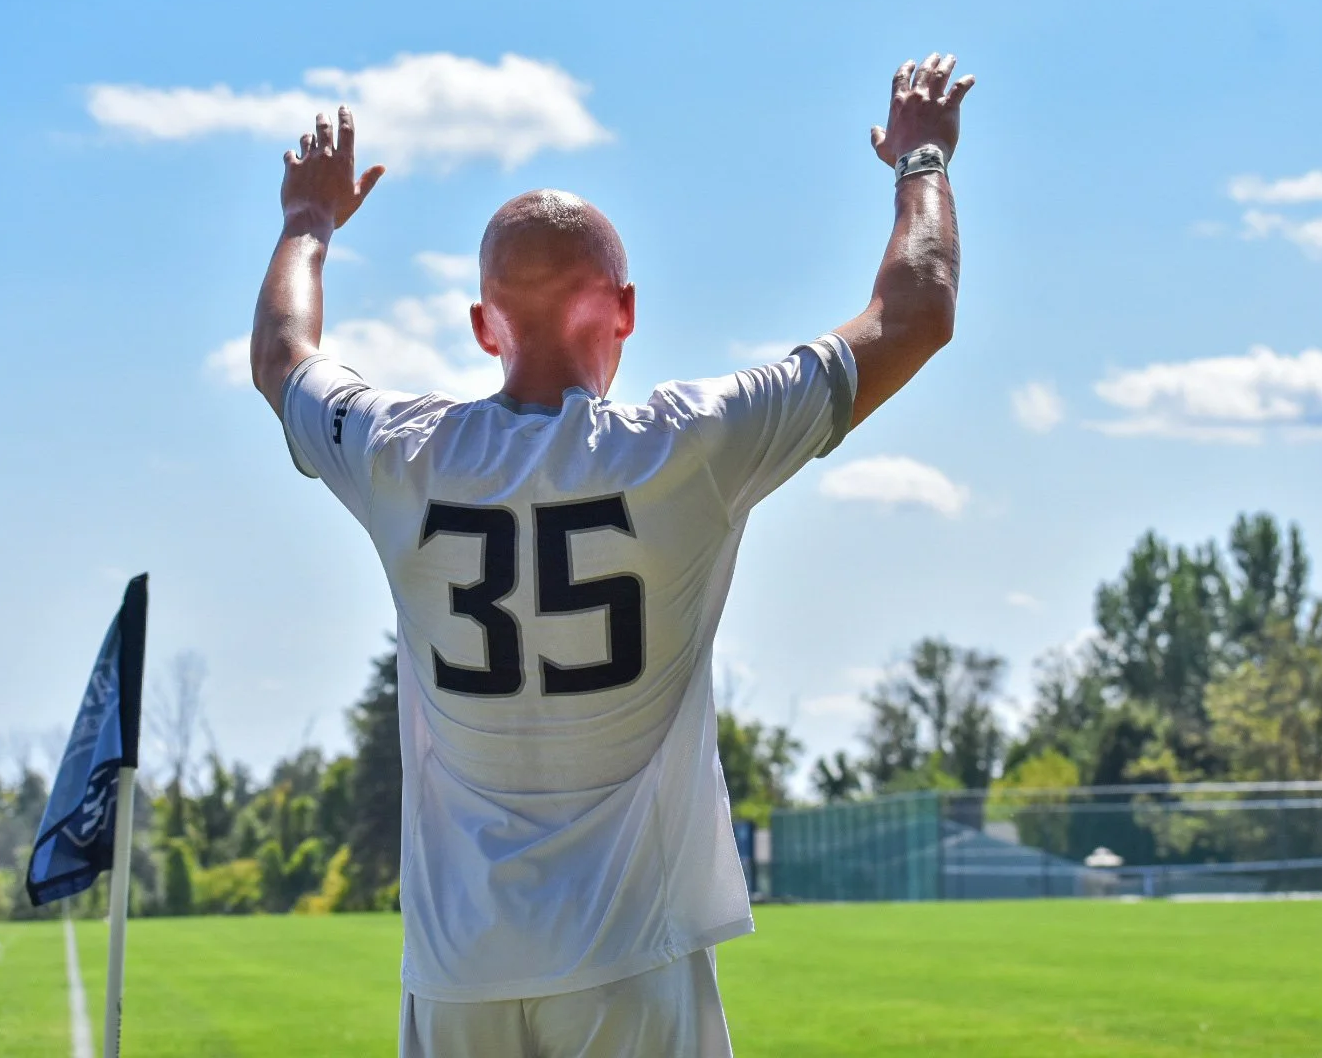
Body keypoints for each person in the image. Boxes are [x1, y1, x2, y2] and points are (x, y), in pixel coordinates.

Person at [249, 52, 972, 1057]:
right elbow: (918, 305)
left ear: (480, 326)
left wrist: (307, 222)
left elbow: (283, 358)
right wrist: (921, 157)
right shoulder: (691, 448)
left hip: (459, 971)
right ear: (625, 309)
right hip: (633, 957)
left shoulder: (400, 453)